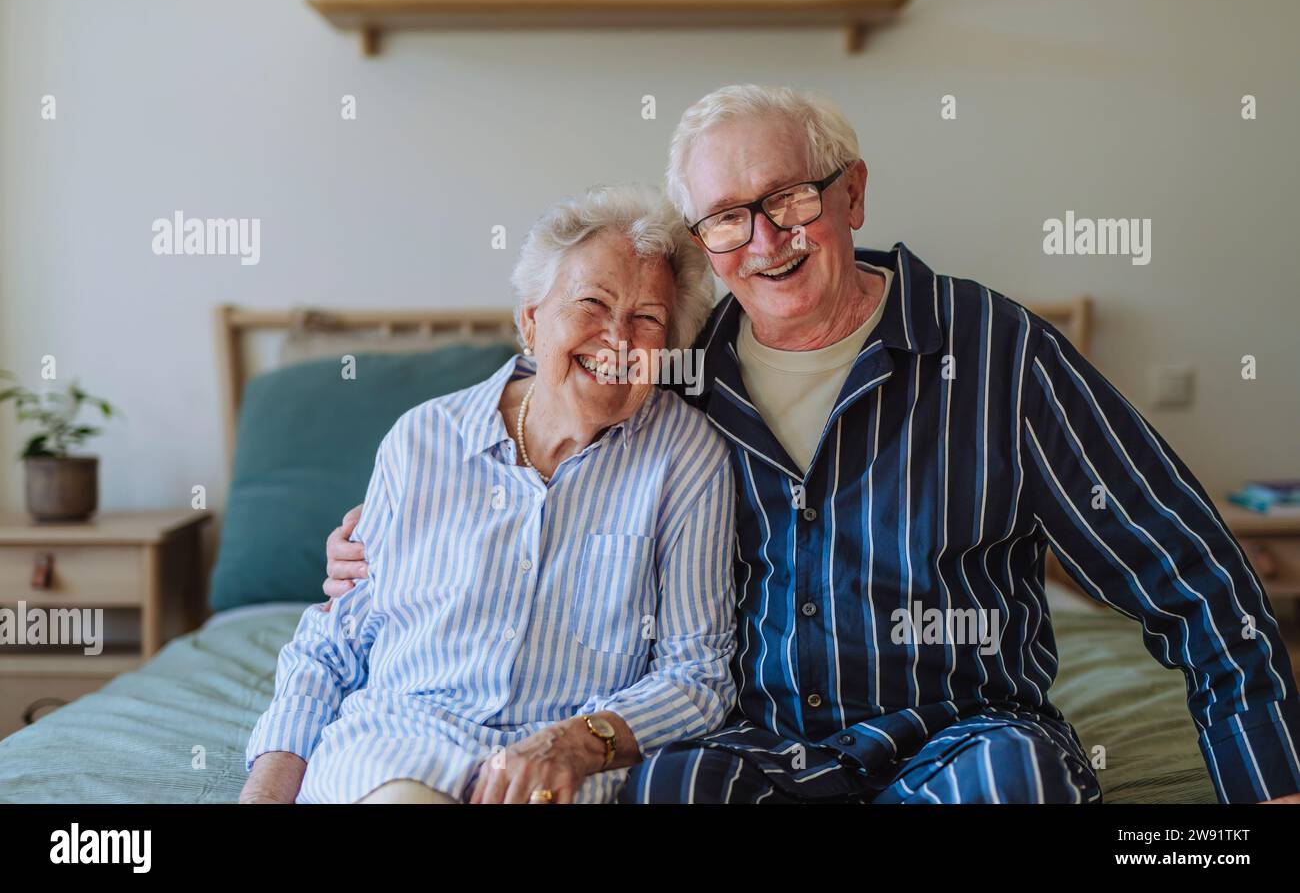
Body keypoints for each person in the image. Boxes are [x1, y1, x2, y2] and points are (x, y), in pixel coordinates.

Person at [327, 85, 1300, 804]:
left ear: (851, 194)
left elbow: (1193, 573)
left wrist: (1272, 787)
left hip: (958, 733)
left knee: (1019, 782)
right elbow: (554, 441)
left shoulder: (999, 353)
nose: (765, 238)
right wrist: (386, 536)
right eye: (726, 218)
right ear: (705, 241)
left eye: (789, 197)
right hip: (748, 748)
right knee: (653, 791)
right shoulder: (675, 370)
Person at [242, 184, 736, 804]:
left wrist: (574, 744)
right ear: (531, 320)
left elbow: (697, 676)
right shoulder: (423, 440)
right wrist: (265, 794)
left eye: (648, 319)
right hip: (402, 740)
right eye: (592, 303)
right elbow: (332, 647)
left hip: (564, 762)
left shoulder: (687, 460)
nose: (617, 338)